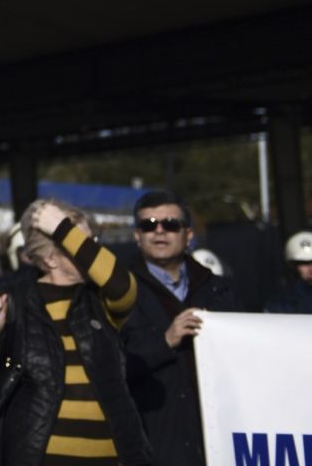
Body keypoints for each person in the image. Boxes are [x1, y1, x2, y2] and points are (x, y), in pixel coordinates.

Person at [0, 199, 149, 466]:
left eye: (89, 241)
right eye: (78, 244)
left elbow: (123, 285)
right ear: (51, 259)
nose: (90, 251)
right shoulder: (17, 305)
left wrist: (61, 228)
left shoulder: (102, 301)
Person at [121, 191, 234, 466]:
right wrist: (165, 341)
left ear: (188, 234)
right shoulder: (119, 293)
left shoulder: (220, 290)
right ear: (137, 235)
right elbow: (111, 367)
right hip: (153, 443)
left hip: (215, 441)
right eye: (148, 225)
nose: (159, 232)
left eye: (170, 224)